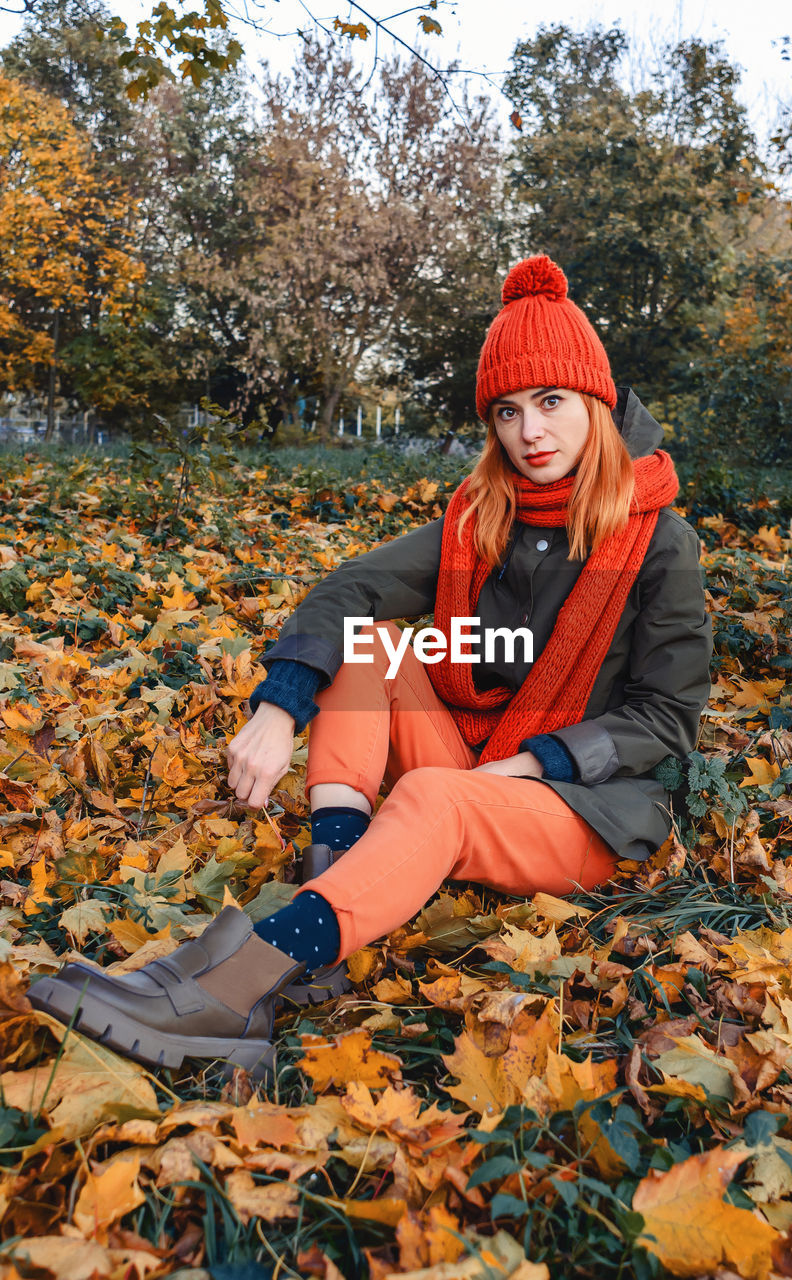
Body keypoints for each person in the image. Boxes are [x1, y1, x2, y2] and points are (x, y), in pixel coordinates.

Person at [29, 254, 713, 1075]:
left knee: (432, 795)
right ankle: (332, 923)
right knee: (372, 641)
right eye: (506, 412)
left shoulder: (659, 541)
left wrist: (530, 768)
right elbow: (351, 588)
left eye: (551, 402)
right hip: (480, 763)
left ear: (594, 402)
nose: (530, 432)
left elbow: (666, 717)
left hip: (591, 810)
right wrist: (281, 706)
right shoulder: (482, 516)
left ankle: (242, 986)